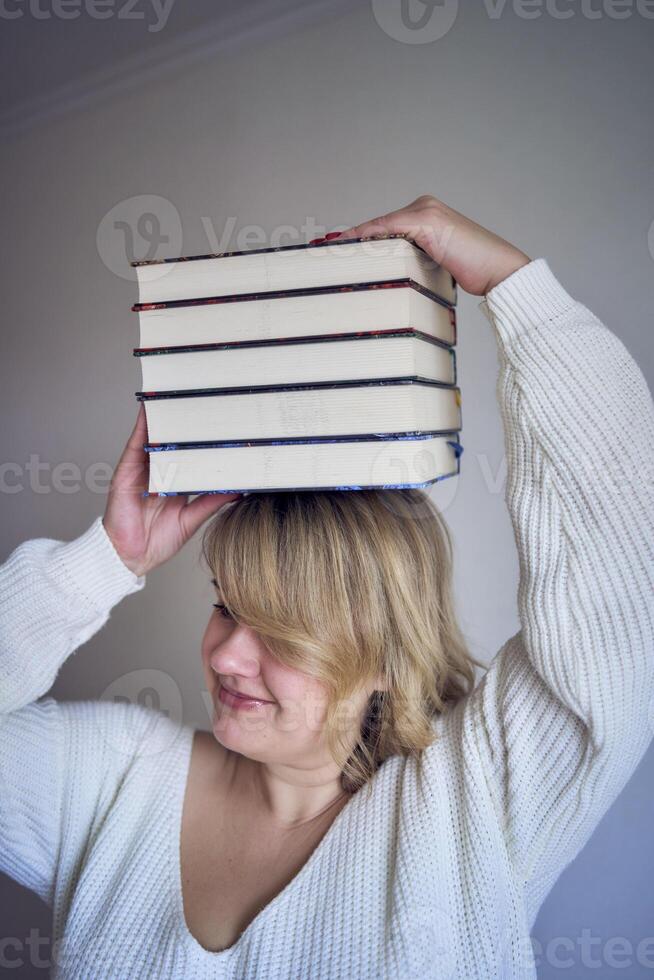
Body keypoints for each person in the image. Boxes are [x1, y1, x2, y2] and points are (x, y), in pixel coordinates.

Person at [1, 194, 652, 979]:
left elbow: (621, 609)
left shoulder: (471, 802)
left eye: (285, 631)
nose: (230, 657)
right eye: (226, 607)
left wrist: (517, 290)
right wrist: (107, 560)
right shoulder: (112, 776)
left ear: (387, 650)